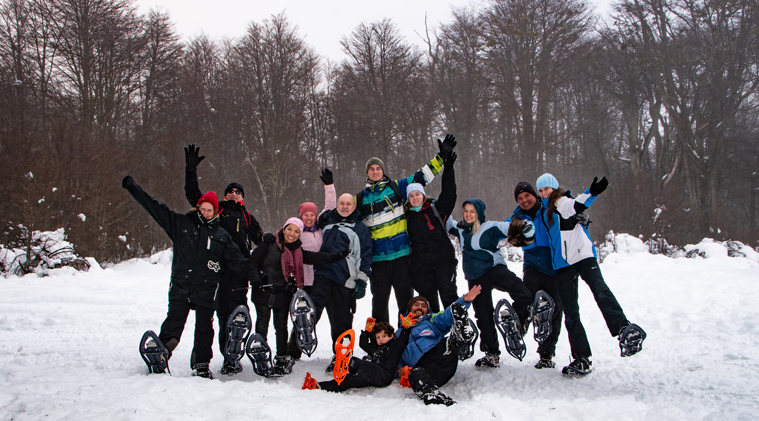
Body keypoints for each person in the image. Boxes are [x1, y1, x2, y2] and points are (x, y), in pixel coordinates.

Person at [122, 176, 248, 379]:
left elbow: (238, 261)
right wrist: (133, 188)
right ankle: (161, 353)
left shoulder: (221, 235)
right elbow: (154, 207)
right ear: (198, 208)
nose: (206, 213)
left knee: (205, 328)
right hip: (182, 285)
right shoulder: (180, 224)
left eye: (210, 210)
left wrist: (261, 271)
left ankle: (201, 363)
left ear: (215, 212)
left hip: (207, 288)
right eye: (203, 209)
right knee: (174, 321)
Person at [536, 173, 646, 376]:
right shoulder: (544, 212)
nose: (544, 193)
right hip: (562, 264)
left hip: (583, 256)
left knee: (599, 290)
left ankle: (624, 329)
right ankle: (581, 359)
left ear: (554, 188)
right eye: (541, 190)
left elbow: (578, 204)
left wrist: (592, 192)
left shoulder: (562, 202)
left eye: (546, 189)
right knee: (570, 313)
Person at [357, 134, 457, 324]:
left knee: (405, 300)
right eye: (372, 169)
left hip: (402, 256)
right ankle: (381, 342)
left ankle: (406, 336)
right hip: (379, 260)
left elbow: (422, 177)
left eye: (378, 168)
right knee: (379, 303)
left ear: (383, 171)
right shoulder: (361, 198)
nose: (376, 171)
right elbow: (344, 209)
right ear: (367, 173)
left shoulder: (397, 187)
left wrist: (441, 158)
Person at [183, 144, 264, 375]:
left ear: (243, 197)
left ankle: (233, 357)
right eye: (231, 191)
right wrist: (190, 170)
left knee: (238, 314)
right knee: (219, 314)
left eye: (238, 192)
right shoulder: (217, 210)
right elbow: (194, 197)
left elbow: (259, 239)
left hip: (239, 270)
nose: (234, 194)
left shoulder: (248, 216)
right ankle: (221, 355)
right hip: (216, 268)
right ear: (225, 194)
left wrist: (270, 243)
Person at [248, 218, 348, 376]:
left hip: (283, 292)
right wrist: (256, 280)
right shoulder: (269, 244)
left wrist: (336, 257)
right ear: (284, 228)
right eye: (290, 229)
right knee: (262, 323)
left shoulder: (298, 252)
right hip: (263, 291)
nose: (292, 234)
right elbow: (253, 261)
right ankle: (261, 356)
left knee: (281, 327)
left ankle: (281, 357)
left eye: (296, 232)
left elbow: (317, 257)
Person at [447, 199, 533, 368]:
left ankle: (518, 323)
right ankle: (491, 353)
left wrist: (525, 225)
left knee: (521, 291)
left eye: (472, 211)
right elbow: (445, 219)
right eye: (466, 211)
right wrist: (435, 203)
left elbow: (508, 227)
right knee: (483, 315)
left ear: (478, 213)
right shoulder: (460, 229)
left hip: (494, 270)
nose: (469, 214)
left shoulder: (490, 227)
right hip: (475, 278)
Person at [505, 181, 567, 369]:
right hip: (532, 264)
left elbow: (569, 214)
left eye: (527, 196)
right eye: (520, 198)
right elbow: (503, 230)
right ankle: (517, 327)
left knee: (553, 307)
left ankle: (546, 354)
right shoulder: (518, 217)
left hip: (553, 264)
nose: (524, 200)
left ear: (535, 196)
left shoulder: (549, 208)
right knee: (527, 298)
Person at [312, 193, 373, 371]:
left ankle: (342, 355)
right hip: (323, 273)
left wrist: (362, 281)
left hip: (344, 279)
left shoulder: (360, 229)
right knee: (315, 302)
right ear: (337, 205)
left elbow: (365, 256)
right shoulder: (326, 222)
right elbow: (304, 230)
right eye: (341, 203)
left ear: (354, 207)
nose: (345, 206)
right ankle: (305, 326)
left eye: (348, 204)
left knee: (341, 320)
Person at [396, 285, 481, 406]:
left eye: (424, 306)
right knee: (415, 375)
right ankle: (432, 395)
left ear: (427, 310)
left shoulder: (431, 321)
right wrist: (399, 369)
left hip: (441, 356)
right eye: (416, 305)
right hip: (426, 369)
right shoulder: (399, 333)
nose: (420, 307)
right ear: (409, 308)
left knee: (447, 343)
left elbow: (446, 315)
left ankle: (461, 336)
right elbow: (393, 356)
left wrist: (464, 301)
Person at [286, 168, 337, 359]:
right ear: (300, 217)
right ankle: (293, 350)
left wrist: (329, 186)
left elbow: (330, 205)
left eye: (312, 215)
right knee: (304, 319)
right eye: (305, 215)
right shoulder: (297, 230)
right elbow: (284, 237)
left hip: (324, 277)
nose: (309, 218)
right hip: (305, 280)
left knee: (331, 315)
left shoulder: (321, 227)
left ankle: (338, 348)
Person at [404, 152, 458, 313]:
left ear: (423, 195)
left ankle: (459, 330)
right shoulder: (406, 217)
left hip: (444, 262)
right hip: (422, 268)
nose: (415, 198)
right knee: (429, 304)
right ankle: (433, 336)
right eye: (411, 196)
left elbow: (449, 194)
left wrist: (448, 169)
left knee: (449, 297)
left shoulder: (435, 209)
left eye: (417, 194)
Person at [302, 319, 412, 392]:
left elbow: (401, 342)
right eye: (378, 337)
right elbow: (363, 344)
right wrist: (367, 332)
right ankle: (319, 385)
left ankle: (348, 361)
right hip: (371, 375)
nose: (381, 339)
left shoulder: (394, 347)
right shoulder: (375, 349)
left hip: (384, 375)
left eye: (384, 336)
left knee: (363, 363)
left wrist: (405, 329)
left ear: (391, 336)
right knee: (350, 380)